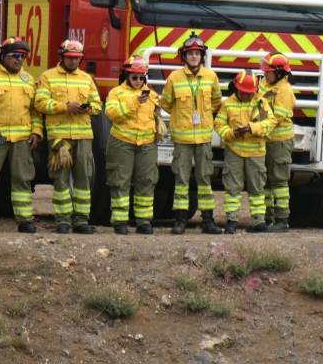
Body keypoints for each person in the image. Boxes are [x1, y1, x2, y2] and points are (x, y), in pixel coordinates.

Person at [35, 39, 102, 234]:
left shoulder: (86, 78)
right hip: (59, 138)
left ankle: (81, 220)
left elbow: (98, 106)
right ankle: (63, 221)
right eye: (70, 57)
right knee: (61, 179)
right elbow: (40, 103)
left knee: (84, 178)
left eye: (77, 58)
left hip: (83, 136)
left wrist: (87, 108)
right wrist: (64, 107)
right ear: (62, 57)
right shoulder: (48, 76)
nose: (73, 61)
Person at [160, 33, 223, 234]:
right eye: (190, 53)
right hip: (182, 139)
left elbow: (216, 101)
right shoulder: (174, 77)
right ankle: (180, 220)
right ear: (184, 56)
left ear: (202, 56)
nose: (194, 56)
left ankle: (208, 221)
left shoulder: (211, 77)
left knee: (205, 179)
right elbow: (166, 103)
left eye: (197, 53)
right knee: (181, 180)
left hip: (203, 138)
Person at [104, 56, 162, 235]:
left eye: (141, 77)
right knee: (120, 181)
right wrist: (134, 102)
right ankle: (120, 221)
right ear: (126, 75)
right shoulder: (116, 93)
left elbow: (156, 113)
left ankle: (143, 221)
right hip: (122, 142)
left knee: (147, 181)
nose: (138, 81)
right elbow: (111, 113)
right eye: (134, 77)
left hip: (147, 144)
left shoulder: (152, 95)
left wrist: (159, 122)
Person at [215, 71, 274, 234]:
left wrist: (251, 128)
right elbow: (219, 125)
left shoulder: (261, 103)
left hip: (256, 152)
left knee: (257, 188)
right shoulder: (228, 104)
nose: (247, 95)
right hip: (234, 151)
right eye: (244, 92)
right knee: (232, 188)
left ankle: (258, 221)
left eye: (250, 93)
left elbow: (270, 123)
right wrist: (232, 133)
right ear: (237, 89)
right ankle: (232, 220)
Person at [0, 38, 43, 233]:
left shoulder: (28, 79)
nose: (19, 60)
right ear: (2, 55)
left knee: (23, 179)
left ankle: (25, 220)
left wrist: (36, 132)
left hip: (22, 139)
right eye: (15, 56)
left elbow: (35, 111)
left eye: (23, 56)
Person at [259, 53, 295, 232]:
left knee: (279, 181)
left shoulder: (284, 90)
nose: (265, 74)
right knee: (265, 181)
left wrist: (258, 127)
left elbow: (277, 117)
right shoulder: (264, 85)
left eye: (269, 72)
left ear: (279, 73)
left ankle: (282, 219)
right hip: (264, 140)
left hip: (279, 142)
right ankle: (268, 218)